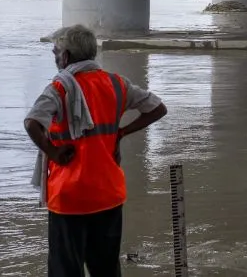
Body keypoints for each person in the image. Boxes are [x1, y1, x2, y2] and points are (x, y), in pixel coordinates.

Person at [24, 24, 167, 277]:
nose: (55, 57)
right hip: (108, 194)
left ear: (66, 56)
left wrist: (53, 152)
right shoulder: (116, 83)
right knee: (106, 269)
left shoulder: (59, 88)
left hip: (69, 197)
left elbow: (32, 122)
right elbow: (157, 108)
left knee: (65, 269)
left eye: (55, 52)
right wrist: (121, 132)